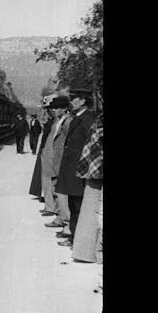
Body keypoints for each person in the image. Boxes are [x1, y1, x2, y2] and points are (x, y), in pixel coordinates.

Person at [55, 89, 95, 247]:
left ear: (83, 101)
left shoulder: (87, 119)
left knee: (77, 205)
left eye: (74, 99)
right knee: (73, 203)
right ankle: (73, 237)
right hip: (72, 169)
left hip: (78, 170)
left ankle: (77, 241)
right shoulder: (80, 118)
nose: (70, 101)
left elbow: (90, 144)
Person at [71, 112, 103, 262]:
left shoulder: (97, 121)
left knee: (90, 210)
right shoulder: (98, 121)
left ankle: (86, 252)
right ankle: (89, 252)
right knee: (93, 211)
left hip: (94, 170)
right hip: (95, 170)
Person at [40, 96, 71, 218]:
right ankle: (52, 209)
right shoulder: (57, 121)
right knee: (51, 184)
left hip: (58, 157)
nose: (54, 110)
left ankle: (59, 213)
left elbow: (69, 139)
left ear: (64, 109)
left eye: (57, 108)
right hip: (50, 156)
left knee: (57, 186)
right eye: (53, 108)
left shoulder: (67, 121)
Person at [29, 101, 55, 200]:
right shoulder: (51, 120)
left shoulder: (53, 121)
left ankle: (46, 196)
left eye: (49, 109)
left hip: (47, 149)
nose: (48, 111)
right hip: (44, 148)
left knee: (46, 174)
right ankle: (43, 194)